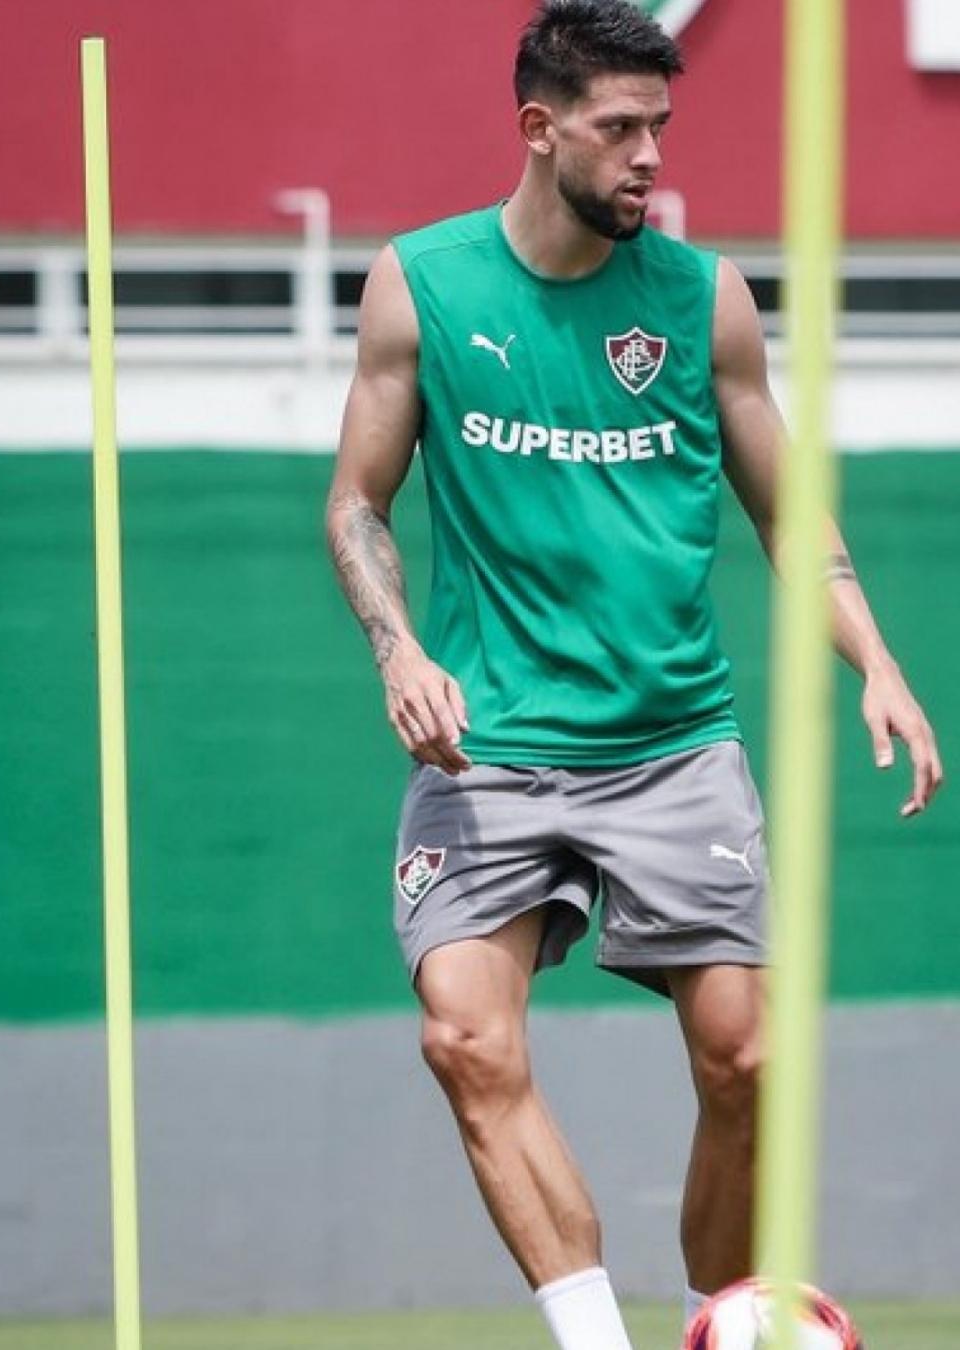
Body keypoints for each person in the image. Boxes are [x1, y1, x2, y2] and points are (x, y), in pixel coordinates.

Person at [325, 2, 943, 1347]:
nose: (649, 155)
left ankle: (710, 1322)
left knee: (750, 1055)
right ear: (541, 130)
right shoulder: (418, 285)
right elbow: (356, 508)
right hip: (486, 748)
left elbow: (790, 509)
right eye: (619, 128)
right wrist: (400, 649)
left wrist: (878, 665)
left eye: (661, 125)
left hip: (672, 744)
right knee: (464, 1039)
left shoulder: (702, 299)